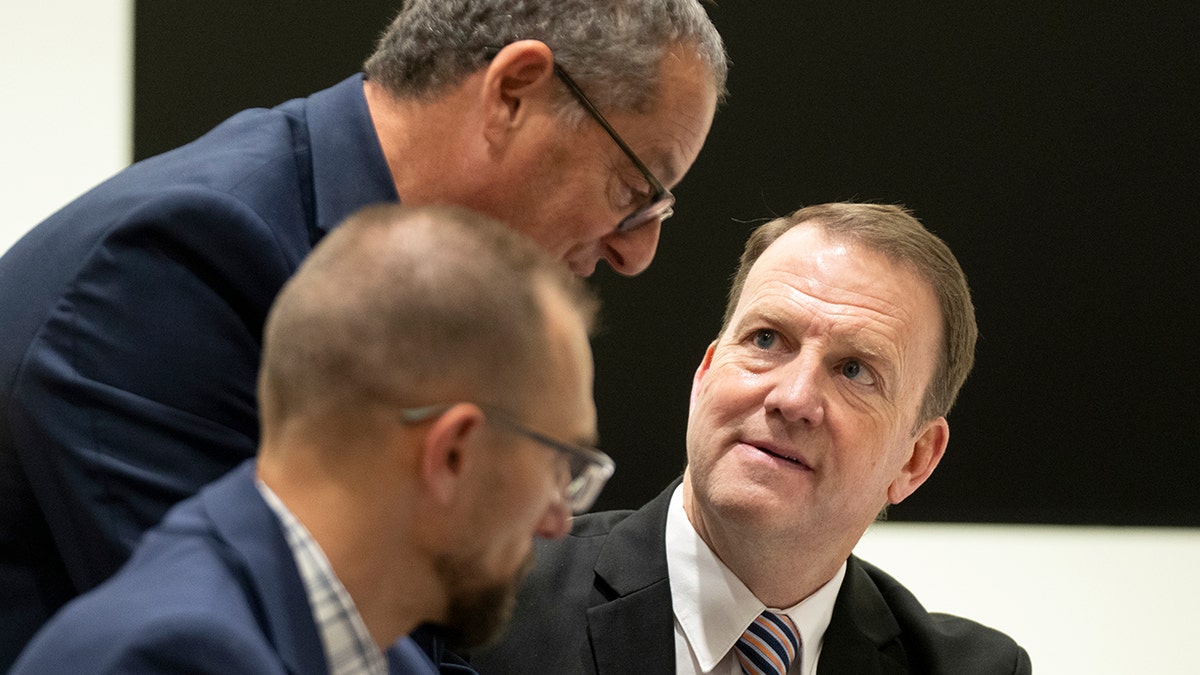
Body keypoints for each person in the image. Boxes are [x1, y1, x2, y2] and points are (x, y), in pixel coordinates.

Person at [0, 0, 727, 666]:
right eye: (635, 192)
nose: (636, 255)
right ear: (513, 93)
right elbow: (285, 638)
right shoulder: (184, 259)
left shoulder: (372, 264)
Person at [11, 203, 611, 674]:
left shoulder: (378, 645)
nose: (558, 521)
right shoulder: (165, 658)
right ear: (453, 453)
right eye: (561, 466)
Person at [470, 203, 1032, 674]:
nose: (792, 398)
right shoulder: (489, 600)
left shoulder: (973, 670)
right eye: (766, 339)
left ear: (915, 459)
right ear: (705, 373)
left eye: (855, 370)